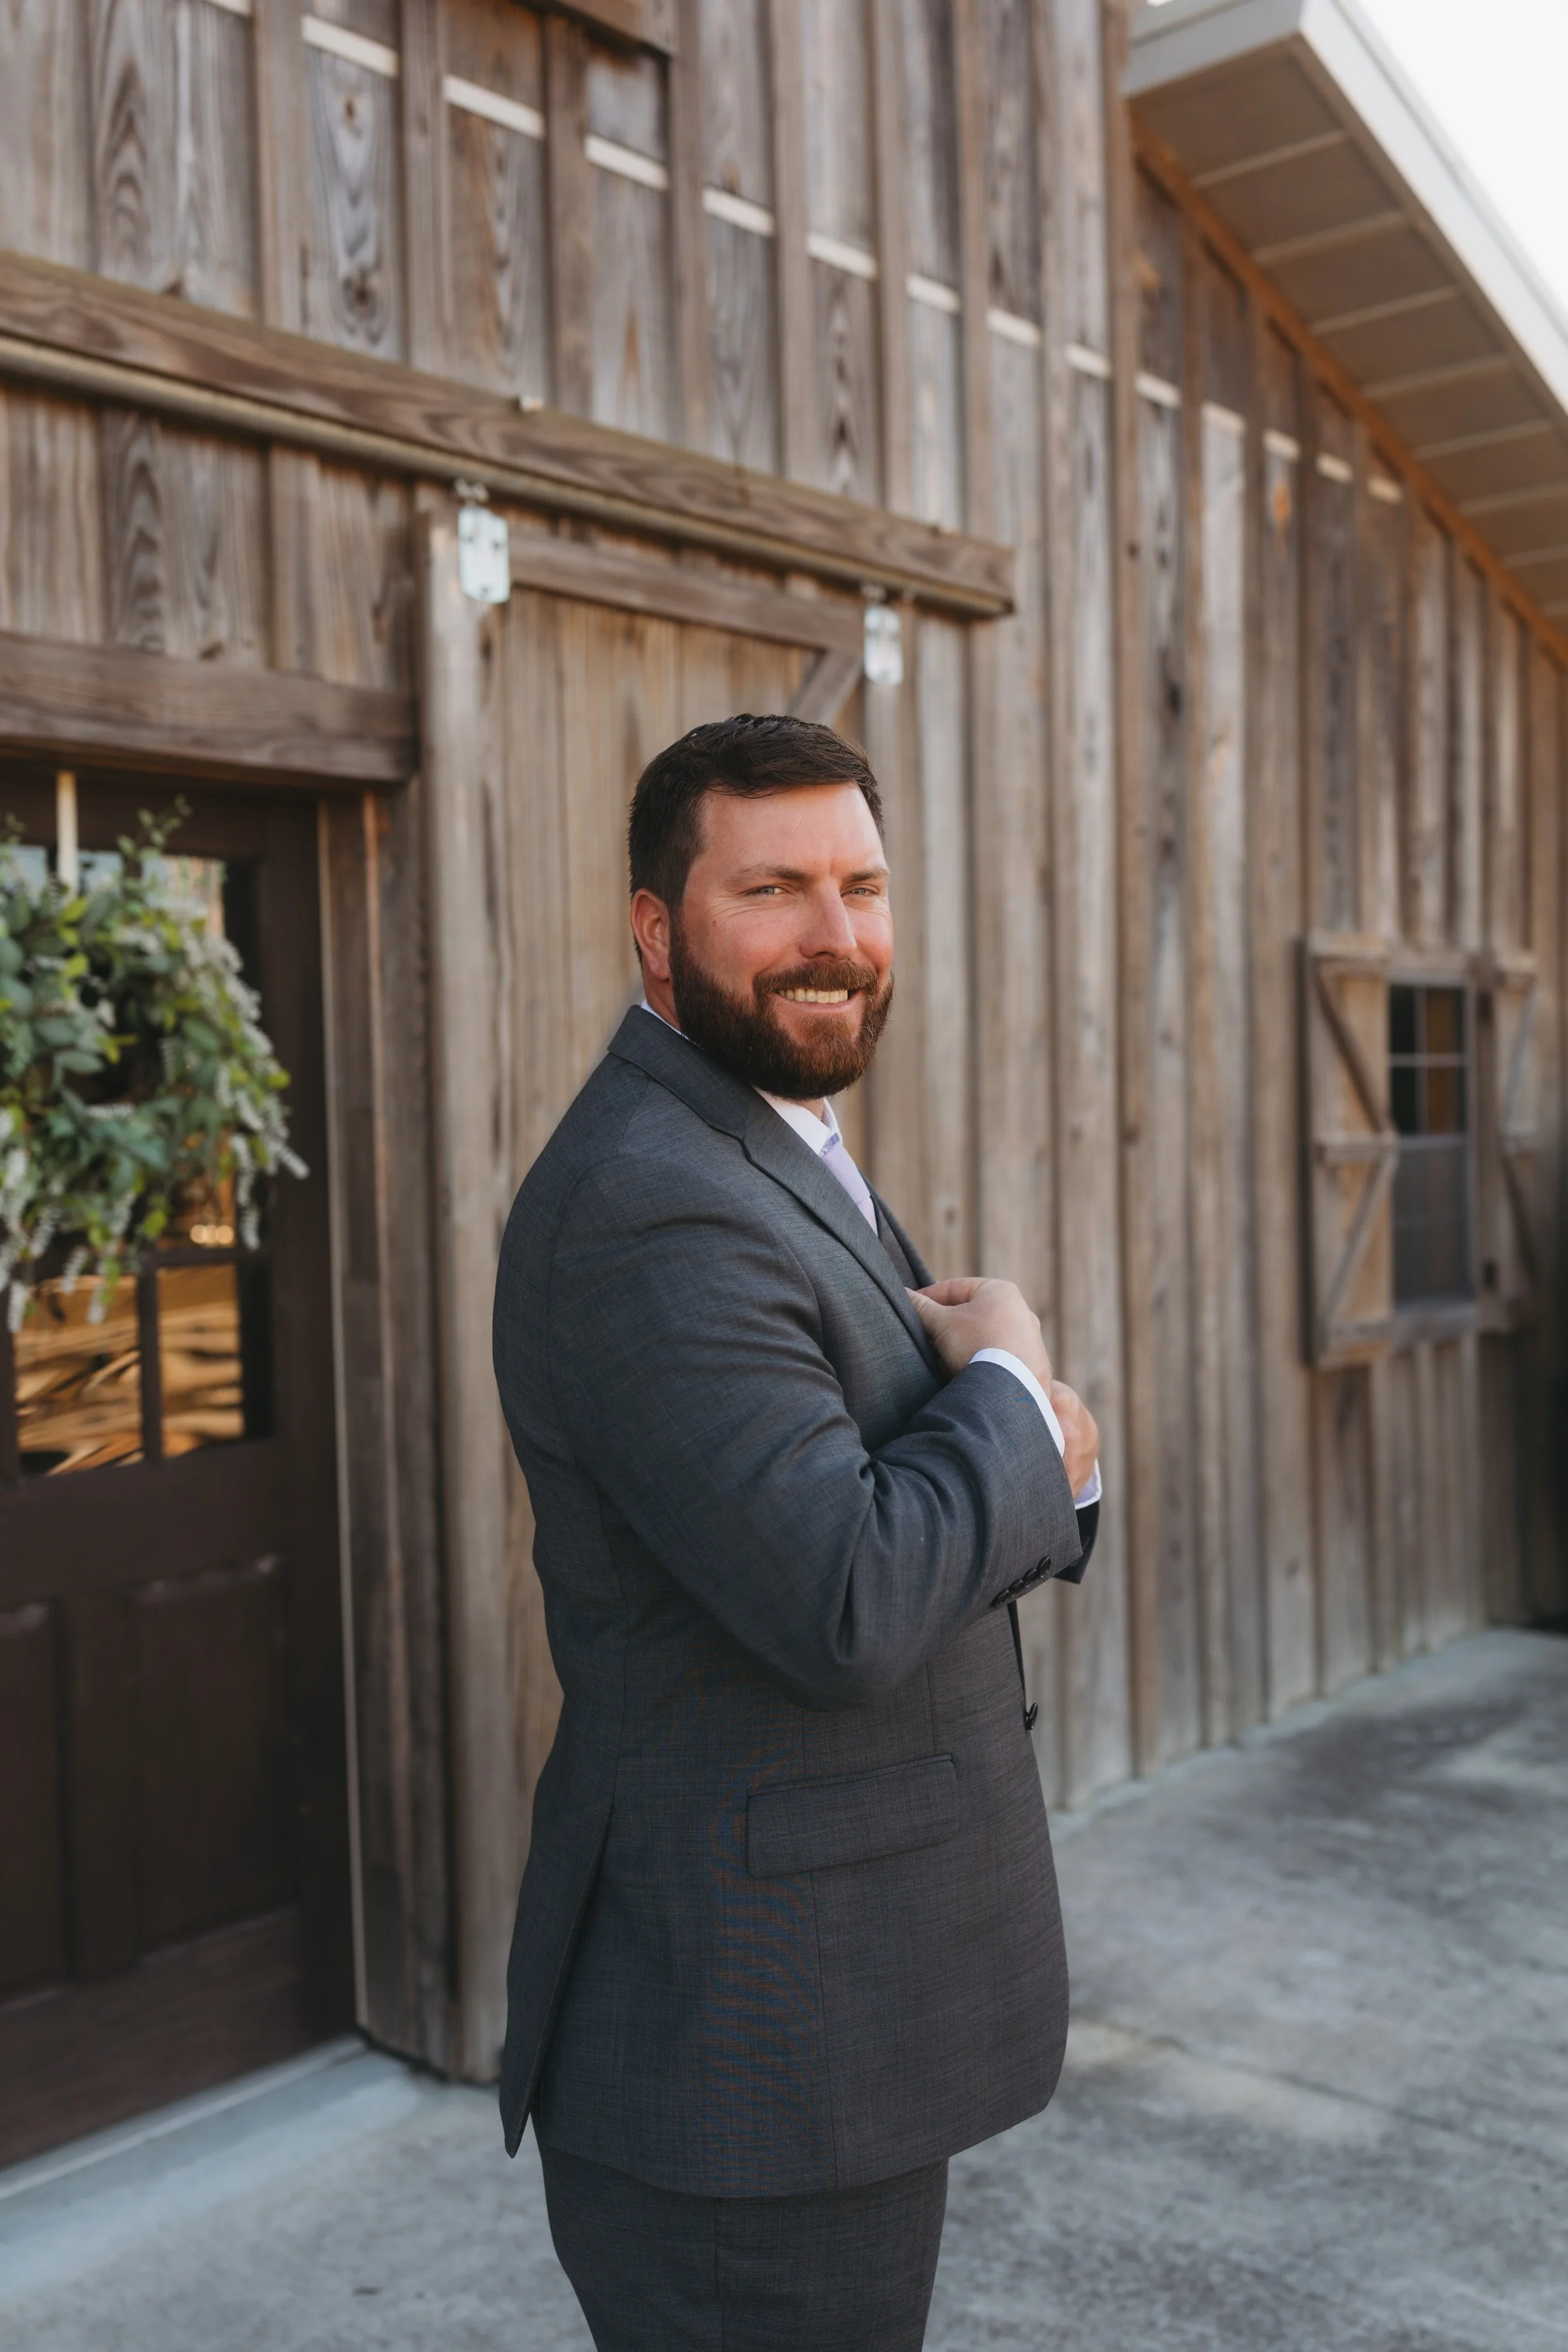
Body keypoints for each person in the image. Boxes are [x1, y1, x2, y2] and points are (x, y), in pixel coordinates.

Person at [492, 714, 1100, 2351]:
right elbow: (844, 1594)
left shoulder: (763, 1134)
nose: (836, 933)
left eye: (863, 885)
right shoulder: (649, 1201)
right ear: (656, 928)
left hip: (829, 2027)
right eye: (771, 889)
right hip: (747, 2067)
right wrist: (1021, 1395)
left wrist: (1039, 1449)